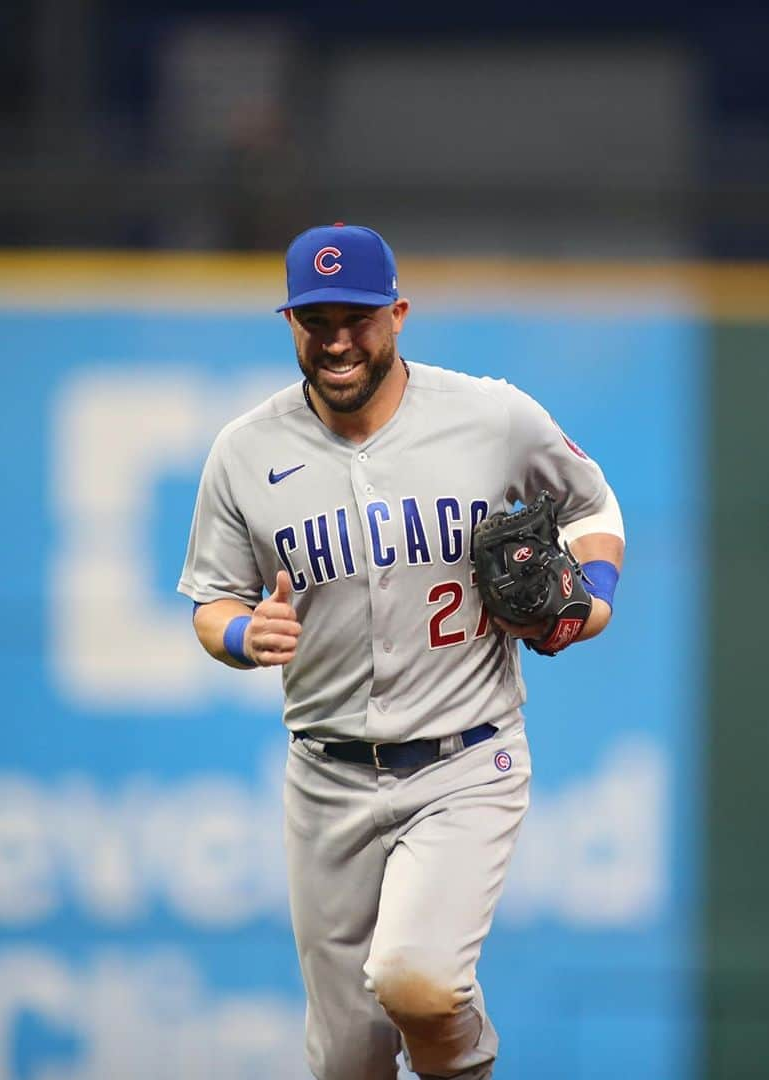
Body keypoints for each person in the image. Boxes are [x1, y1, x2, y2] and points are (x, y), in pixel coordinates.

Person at [178, 223, 625, 1080]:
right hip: (326, 775)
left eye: (358, 317)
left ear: (398, 315)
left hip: (465, 760)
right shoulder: (244, 452)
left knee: (417, 982)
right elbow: (211, 602)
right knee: (347, 1063)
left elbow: (594, 506)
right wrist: (241, 633)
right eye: (317, 320)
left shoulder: (490, 416)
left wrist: (592, 601)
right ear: (290, 325)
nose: (338, 340)